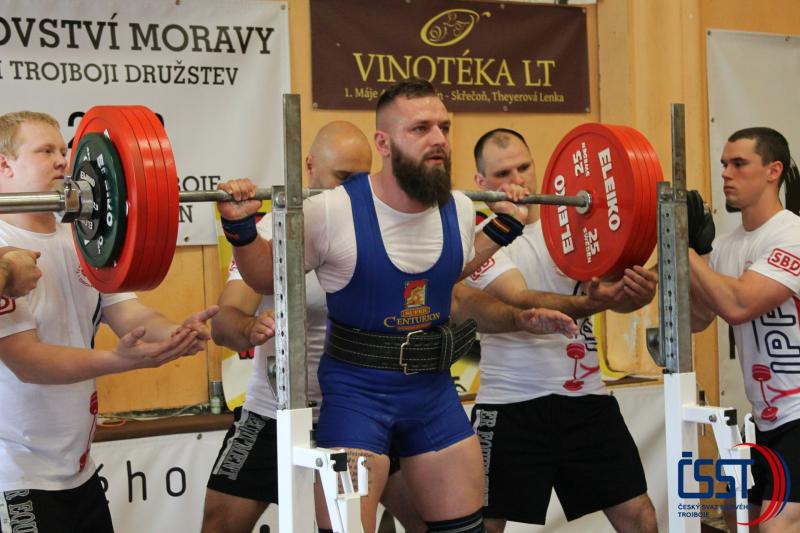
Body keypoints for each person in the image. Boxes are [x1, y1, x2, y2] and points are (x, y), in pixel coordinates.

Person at [216, 79, 577, 533]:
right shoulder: (332, 211)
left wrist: (502, 229)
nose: (438, 138)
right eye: (420, 128)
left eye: (444, 127)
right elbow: (267, 277)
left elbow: (449, 269)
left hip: (434, 395)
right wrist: (242, 230)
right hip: (355, 401)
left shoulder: (460, 208)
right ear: (383, 144)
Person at [202, 120, 427, 533]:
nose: (351, 191)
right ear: (309, 166)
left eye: (361, 179)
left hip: (363, 410)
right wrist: (249, 328)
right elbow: (223, 322)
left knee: (429, 519)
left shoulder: (381, 232)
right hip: (275, 412)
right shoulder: (267, 235)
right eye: (342, 177)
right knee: (219, 524)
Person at [0, 110, 217, 532]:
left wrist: (174, 334)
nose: (63, 161)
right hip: (16, 473)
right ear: (4, 165)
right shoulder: (3, 250)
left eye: (63, 150)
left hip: (77, 468)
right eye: (45, 151)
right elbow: (28, 361)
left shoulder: (82, 237)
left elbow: (129, 313)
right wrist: (120, 361)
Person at [464, 128, 659, 532]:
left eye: (524, 167)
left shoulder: (580, 228)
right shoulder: (479, 242)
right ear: (481, 182)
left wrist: (635, 294)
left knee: (640, 517)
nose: (517, 181)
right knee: (484, 526)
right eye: (503, 174)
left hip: (585, 398)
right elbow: (520, 298)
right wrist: (594, 302)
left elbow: (613, 297)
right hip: (509, 403)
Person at [689, 127, 800, 532]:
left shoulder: (792, 235)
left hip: (798, 412)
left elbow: (739, 306)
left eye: (739, 164)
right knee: (740, 521)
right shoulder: (726, 246)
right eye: (724, 165)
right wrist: (691, 257)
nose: (726, 174)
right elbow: (699, 318)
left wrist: (684, 248)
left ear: (773, 171)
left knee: (777, 525)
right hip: (764, 419)